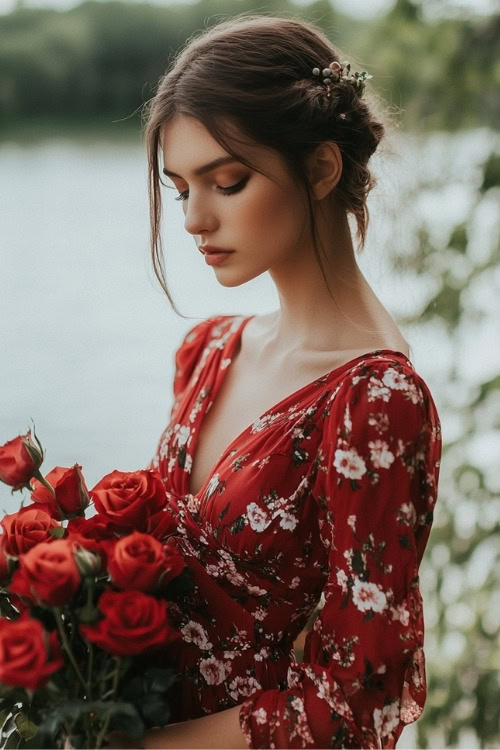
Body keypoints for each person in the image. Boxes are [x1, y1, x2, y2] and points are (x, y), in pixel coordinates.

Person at [112, 13, 442, 750]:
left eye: (227, 182)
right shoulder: (211, 349)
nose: (195, 219)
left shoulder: (375, 403)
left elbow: (357, 705)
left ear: (322, 169)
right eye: (179, 189)